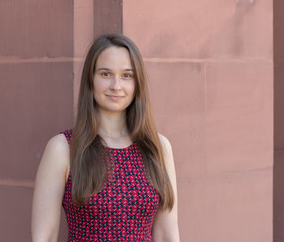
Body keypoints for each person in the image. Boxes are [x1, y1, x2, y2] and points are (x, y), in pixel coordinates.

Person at [32, 34, 180, 241]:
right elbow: (44, 238)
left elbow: (167, 235)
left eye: (127, 75)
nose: (116, 85)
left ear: (138, 83)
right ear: (90, 80)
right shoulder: (64, 149)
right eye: (106, 74)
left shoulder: (158, 147)